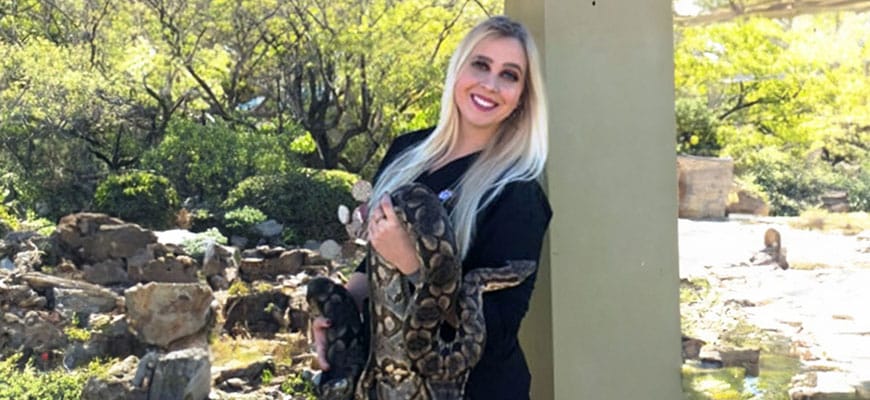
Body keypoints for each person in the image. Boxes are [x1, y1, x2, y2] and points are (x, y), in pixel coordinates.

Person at [313, 15, 551, 399]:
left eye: (510, 75)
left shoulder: (518, 194)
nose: (490, 84)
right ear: (459, 69)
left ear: (522, 96)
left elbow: (498, 331)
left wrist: (414, 265)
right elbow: (373, 254)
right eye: (480, 64)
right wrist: (340, 311)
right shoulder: (406, 152)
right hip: (384, 382)